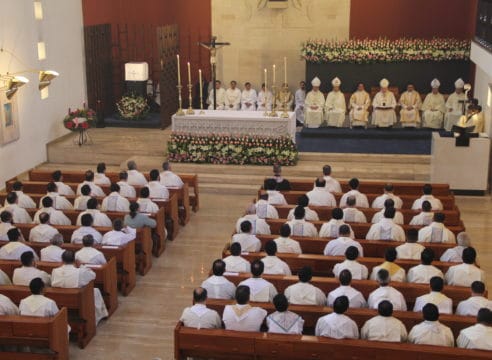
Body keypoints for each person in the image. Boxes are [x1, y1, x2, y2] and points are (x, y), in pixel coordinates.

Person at [51, 250, 108, 324]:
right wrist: (81, 266)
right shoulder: (80, 272)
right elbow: (93, 275)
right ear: (74, 260)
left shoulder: (55, 271)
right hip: (77, 299)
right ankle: (99, 316)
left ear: (62, 260)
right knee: (95, 291)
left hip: (59, 299)